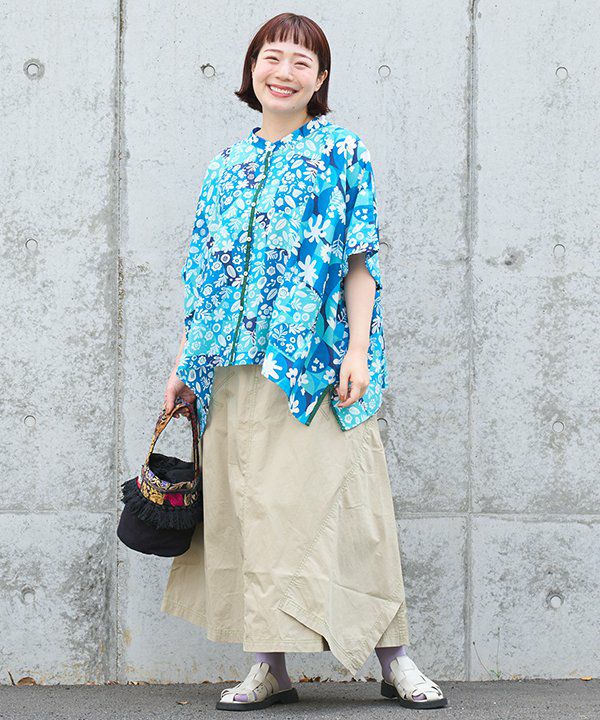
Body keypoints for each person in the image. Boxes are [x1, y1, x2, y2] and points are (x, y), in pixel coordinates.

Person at [160, 12, 448, 712]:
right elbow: (203, 276)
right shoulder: (225, 165)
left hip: (313, 367)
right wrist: (183, 365)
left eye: (300, 61)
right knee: (252, 515)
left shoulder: (341, 150)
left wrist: (357, 350)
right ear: (251, 68)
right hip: (231, 368)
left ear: (320, 79)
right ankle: (270, 668)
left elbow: (359, 261)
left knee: (350, 510)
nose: (283, 72)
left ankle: (395, 659)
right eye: (272, 56)